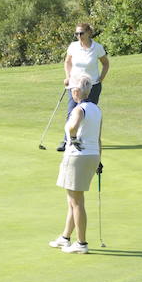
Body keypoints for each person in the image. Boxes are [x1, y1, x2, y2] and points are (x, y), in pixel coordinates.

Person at [49, 74, 102, 254]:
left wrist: (72, 138)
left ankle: (81, 243)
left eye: (72, 89)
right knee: (72, 199)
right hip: (92, 155)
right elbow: (98, 138)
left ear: (78, 91)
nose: (71, 92)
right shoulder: (96, 110)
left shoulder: (79, 110)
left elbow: (72, 127)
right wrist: (99, 160)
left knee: (76, 201)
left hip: (77, 157)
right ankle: (65, 238)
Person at [57, 23, 109, 151]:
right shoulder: (73, 46)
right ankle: (67, 140)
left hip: (92, 86)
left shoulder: (97, 48)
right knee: (71, 111)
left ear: (88, 33)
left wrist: (101, 78)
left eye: (81, 33)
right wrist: (68, 77)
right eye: (76, 34)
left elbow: (106, 64)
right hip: (75, 85)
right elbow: (67, 62)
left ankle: (88, 139)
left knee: (89, 112)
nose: (78, 36)